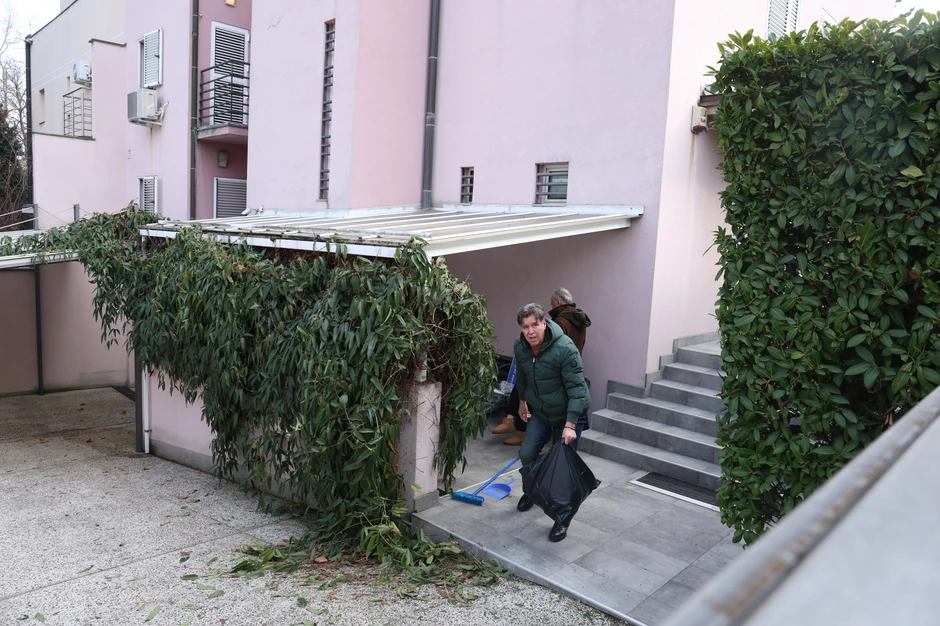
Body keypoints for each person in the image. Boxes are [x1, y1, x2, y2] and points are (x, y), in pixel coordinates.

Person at [513, 303, 590, 543]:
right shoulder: (521, 347)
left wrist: (570, 424)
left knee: (563, 471)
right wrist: (522, 401)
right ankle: (532, 491)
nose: (530, 331)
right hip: (542, 412)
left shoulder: (565, 348)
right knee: (527, 454)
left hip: (569, 414)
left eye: (535, 324)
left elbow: (578, 389)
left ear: (544, 323)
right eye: (525, 327)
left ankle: (562, 519)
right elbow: (523, 376)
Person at [498, 288, 592, 446]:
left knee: (560, 448)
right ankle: (514, 424)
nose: (531, 331)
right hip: (567, 373)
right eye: (525, 327)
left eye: (552, 302)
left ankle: (519, 430)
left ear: (558, 302)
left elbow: (553, 348)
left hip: (557, 375)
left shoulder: (560, 323)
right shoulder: (579, 320)